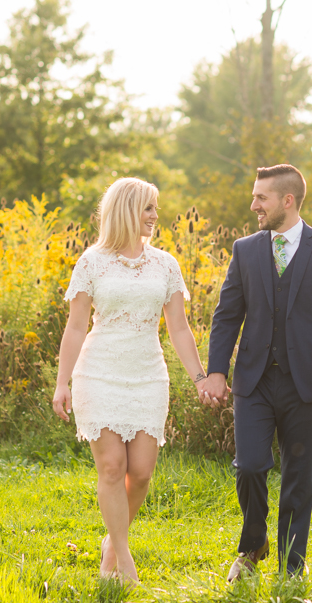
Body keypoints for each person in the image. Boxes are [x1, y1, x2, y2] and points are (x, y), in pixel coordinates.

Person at [198, 164, 312, 580]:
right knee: (251, 466)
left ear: (287, 201)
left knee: (298, 478)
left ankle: (293, 567)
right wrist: (216, 371)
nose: (253, 205)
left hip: (307, 383)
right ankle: (252, 549)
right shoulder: (245, 249)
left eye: (261, 198)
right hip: (252, 380)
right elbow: (226, 315)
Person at [52, 177, 208, 585]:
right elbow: (75, 327)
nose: (156, 216)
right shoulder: (91, 261)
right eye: (148, 208)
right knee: (111, 467)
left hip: (147, 376)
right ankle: (121, 560)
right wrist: (62, 382)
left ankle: (109, 541)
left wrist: (199, 378)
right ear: (125, 210)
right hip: (98, 372)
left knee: (139, 472)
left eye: (155, 208)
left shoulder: (165, 264)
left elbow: (179, 329)